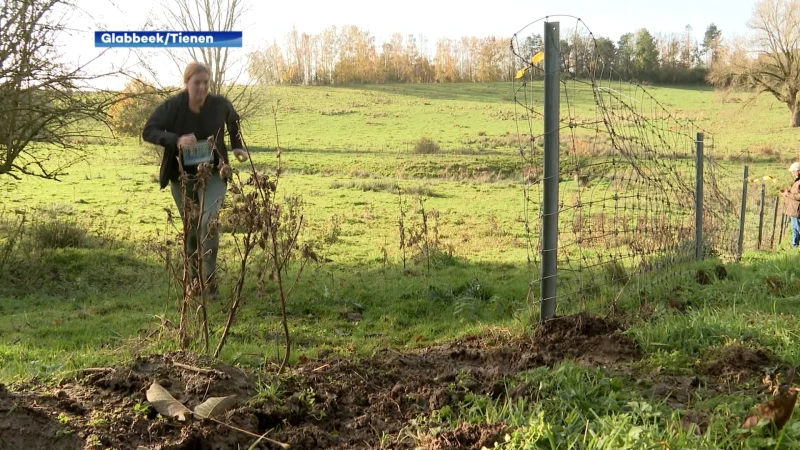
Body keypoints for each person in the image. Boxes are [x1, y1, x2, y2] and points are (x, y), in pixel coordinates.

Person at [142, 61, 248, 298]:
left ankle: (210, 282)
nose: (202, 88)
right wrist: (176, 139)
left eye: (206, 83)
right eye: (196, 83)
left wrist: (237, 146)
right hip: (181, 175)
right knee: (191, 228)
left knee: (208, 222)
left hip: (214, 172)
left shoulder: (219, 105)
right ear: (186, 83)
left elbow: (234, 120)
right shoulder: (172, 107)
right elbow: (149, 130)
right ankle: (194, 281)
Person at [781, 162, 800, 249]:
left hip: (797, 209)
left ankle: (795, 245)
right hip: (794, 209)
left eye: (793, 171)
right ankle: (794, 245)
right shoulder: (797, 180)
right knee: (794, 228)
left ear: (798, 171)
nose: (792, 173)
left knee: (797, 228)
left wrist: (788, 195)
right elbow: (796, 192)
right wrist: (788, 191)